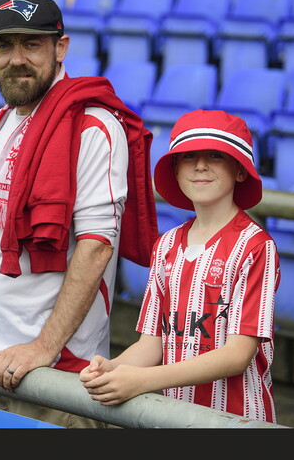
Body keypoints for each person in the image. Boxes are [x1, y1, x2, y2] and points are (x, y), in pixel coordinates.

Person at [0, 0, 159, 428]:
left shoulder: (92, 126)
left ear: (60, 47)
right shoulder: (0, 121)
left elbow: (97, 248)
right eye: (4, 46)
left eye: (32, 44)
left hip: (57, 374)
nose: (16, 59)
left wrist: (43, 347)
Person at [79, 109, 281, 423]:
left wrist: (142, 381)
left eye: (215, 155)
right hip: (176, 417)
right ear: (175, 169)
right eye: (188, 157)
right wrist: (114, 367)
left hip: (237, 421)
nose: (200, 165)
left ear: (240, 171)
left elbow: (237, 355)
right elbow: (152, 343)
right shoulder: (167, 245)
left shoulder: (256, 246)